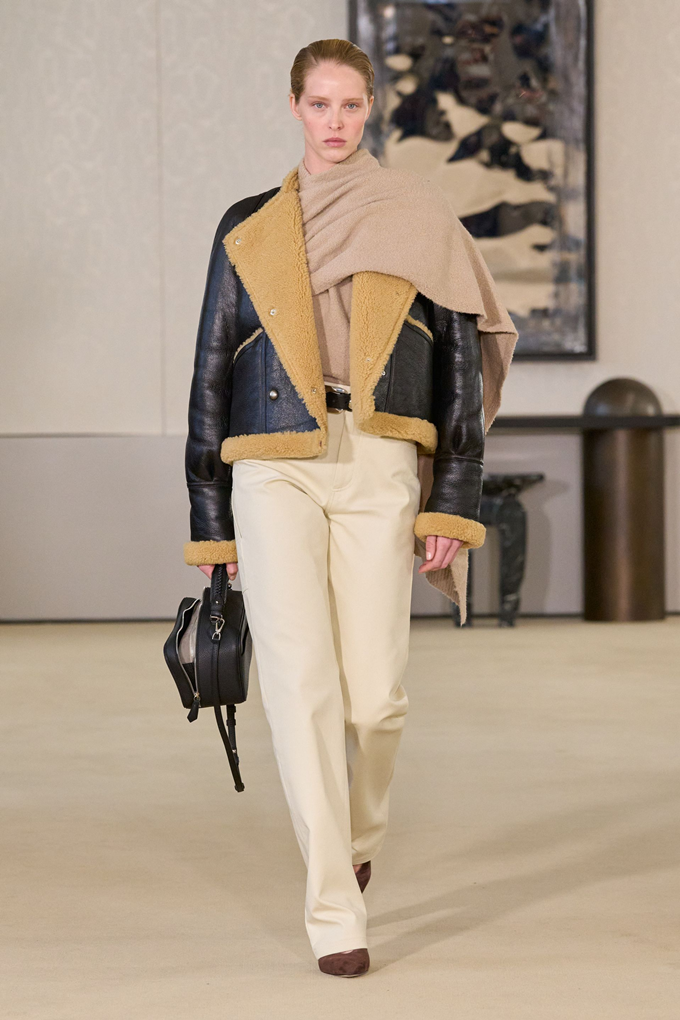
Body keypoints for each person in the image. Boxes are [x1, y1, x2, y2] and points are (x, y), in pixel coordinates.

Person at [182, 39, 518, 977]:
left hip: (378, 456)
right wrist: (211, 520)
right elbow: (211, 372)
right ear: (294, 107)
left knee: (376, 696)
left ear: (371, 109)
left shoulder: (417, 217)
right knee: (300, 687)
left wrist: (450, 502)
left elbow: (458, 373)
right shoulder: (249, 226)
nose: (335, 122)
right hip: (274, 462)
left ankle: (359, 835)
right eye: (319, 104)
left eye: (351, 105)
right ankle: (335, 908)